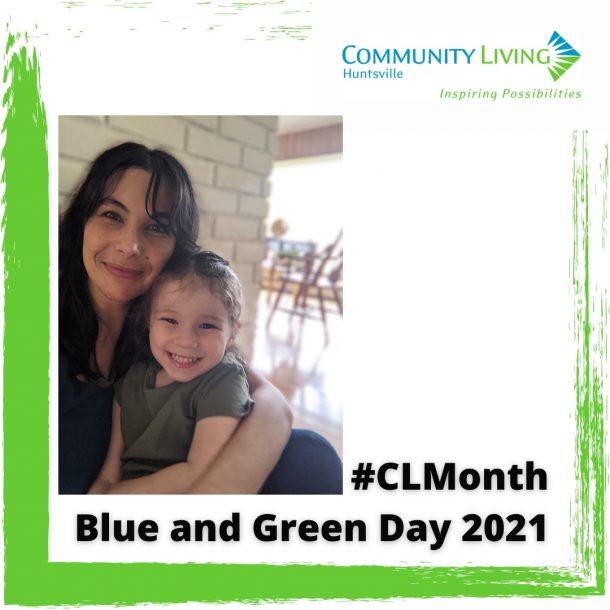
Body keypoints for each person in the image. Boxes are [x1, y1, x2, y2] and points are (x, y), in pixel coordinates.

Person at [59, 141, 342, 494]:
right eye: (112, 215)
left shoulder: (173, 333)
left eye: (157, 227)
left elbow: (272, 405)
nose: (130, 245)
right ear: (81, 222)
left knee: (312, 456)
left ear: (177, 249)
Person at [90, 251, 254, 493]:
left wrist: (112, 497)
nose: (187, 341)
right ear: (149, 321)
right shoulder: (132, 379)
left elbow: (200, 471)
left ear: (232, 334)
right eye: (170, 320)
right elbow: (109, 472)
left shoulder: (224, 380)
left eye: (207, 325)